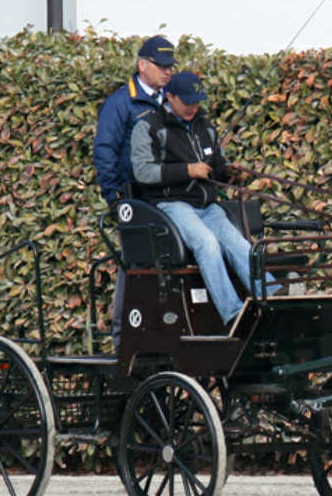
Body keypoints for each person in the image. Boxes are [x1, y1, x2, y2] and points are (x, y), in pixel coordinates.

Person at [130, 71, 279, 326]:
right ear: (171, 97)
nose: (193, 107)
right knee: (207, 243)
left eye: (197, 101)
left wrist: (230, 172)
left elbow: (217, 165)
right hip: (171, 204)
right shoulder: (148, 126)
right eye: (187, 101)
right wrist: (187, 170)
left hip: (207, 205)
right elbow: (143, 172)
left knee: (240, 245)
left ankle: (273, 298)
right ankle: (233, 314)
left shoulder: (205, 126)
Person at [92, 35, 176, 347]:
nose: (167, 72)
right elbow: (105, 150)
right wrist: (113, 196)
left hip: (167, 195)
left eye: (171, 67)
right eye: (161, 66)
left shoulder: (170, 99)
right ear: (142, 65)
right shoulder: (120, 103)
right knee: (135, 264)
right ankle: (122, 338)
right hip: (135, 198)